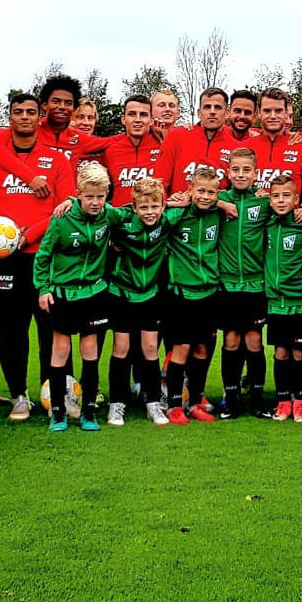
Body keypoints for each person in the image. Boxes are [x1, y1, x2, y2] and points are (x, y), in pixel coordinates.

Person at [0, 93, 75, 421]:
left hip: (44, 257)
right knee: (11, 330)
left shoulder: (57, 160)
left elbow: (65, 208)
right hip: (4, 261)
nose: (24, 117)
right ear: (9, 116)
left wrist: (28, 234)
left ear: (40, 117)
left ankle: (54, 392)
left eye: (30, 112)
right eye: (17, 112)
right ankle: (18, 396)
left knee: (52, 329)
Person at [35, 163, 120, 432]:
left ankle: (88, 412)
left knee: (90, 353)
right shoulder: (62, 219)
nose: (95, 203)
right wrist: (43, 287)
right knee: (60, 351)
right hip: (64, 294)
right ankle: (58, 412)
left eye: (100, 197)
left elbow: (136, 216)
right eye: (89, 197)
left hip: (94, 294)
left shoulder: (109, 215)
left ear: (107, 195)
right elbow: (43, 256)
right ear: (79, 194)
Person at [105, 177, 173, 426]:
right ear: (134, 208)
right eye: (143, 207)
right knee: (121, 349)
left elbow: (196, 206)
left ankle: (153, 404)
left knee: (151, 349)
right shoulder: (122, 221)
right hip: (122, 292)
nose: (150, 212)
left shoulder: (167, 221)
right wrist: (69, 201)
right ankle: (117, 404)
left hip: (151, 294)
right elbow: (98, 208)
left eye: (155, 206)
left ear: (163, 206)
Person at [161, 165, 226, 424]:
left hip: (209, 292)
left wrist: (223, 206)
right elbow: (158, 223)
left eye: (212, 192)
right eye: (200, 191)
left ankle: (196, 401)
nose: (206, 196)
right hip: (181, 293)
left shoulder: (218, 214)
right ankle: (175, 405)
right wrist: (173, 207)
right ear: (190, 189)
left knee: (201, 349)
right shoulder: (178, 213)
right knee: (182, 348)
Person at [215, 147, 270, 418]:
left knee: (254, 342)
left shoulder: (264, 202)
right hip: (227, 285)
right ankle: (232, 400)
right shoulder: (220, 197)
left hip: (254, 285)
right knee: (231, 341)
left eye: (246, 170)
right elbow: (195, 198)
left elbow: (289, 207)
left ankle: (257, 401)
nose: (240, 174)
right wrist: (221, 204)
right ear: (228, 172)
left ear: (255, 174)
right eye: (235, 169)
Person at [260, 173, 302, 423]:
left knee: (300, 354)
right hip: (275, 302)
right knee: (281, 352)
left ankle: (301, 401)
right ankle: (283, 401)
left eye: (286, 196)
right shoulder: (267, 223)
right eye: (275, 196)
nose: (281, 201)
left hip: (300, 301)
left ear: (296, 199)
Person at [155, 87, 244, 192]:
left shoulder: (236, 148)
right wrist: (169, 203)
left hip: (217, 208)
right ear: (198, 113)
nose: (212, 112)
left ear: (227, 113)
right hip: (179, 207)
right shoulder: (177, 136)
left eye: (218, 107)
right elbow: (160, 182)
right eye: (207, 107)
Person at [244, 87, 302, 200]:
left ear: (286, 113)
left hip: (289, 217)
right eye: (267, 111)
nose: (273, 116)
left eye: (278, 111)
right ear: (259, 113)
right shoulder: (245, 148)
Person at [98, 94, 164, 208]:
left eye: (143, 115)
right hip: (120, 221)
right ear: (123, 119)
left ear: (151, 120)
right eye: (132, 114)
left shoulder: (163, 146)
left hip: (154, 219)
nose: (137, 120)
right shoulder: (110, 150)